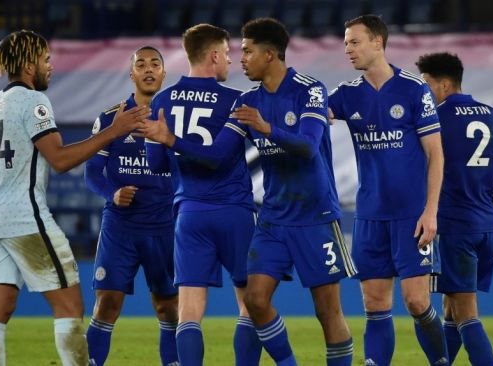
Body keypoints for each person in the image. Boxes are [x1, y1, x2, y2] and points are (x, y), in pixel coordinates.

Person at [143, 18, 357, 366]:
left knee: (327, 311)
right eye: (237, 52)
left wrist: (265, 127)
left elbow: (307, 147)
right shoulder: (244, 100)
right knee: (255, 301)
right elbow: (215, 153)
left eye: (247, 51)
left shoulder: (310, 89)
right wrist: (170, 139)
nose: (240, 59)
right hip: (272, 218)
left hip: (315, 215)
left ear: (270, 54)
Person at [0, 29, 149, 366]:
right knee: (70, 307)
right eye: (46, 60)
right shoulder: (34, 101)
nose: (50, 67)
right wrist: (114, 131)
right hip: (24, 217)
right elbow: (60, 159)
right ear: (28, 65)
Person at [328, 15, 449, 366]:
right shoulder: (347, 95)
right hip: (370, 216)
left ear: (377, 43)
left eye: (354, 41)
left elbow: (436, 154)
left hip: (412, 215)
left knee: (416, 301)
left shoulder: (413, 90)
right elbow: (313, 114)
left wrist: (431, 211)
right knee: (375, 305)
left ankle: (442, 361)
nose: (347, 49)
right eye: (346, 42)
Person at [140, 24, 262, 366]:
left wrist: (171, 144)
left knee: (190, 311)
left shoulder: (162, 100)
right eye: (226, 53)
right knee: (250, 304)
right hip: (234, 210)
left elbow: (155, 163)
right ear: (212, 55)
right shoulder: (234, 100)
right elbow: (219, 157)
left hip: (190, 214)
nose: (229, 60)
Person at [416, 52, 493, 366]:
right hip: (485, 226)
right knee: (451, 307)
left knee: (465, 312)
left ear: (445, 84)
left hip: (454, 225)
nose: (424, 94)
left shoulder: (435, 120)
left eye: (427, 86)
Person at [84, 46, 179, 366]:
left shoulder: (176, 117)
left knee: (169, 307)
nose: (149, 69)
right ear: (132, 74)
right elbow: (92, 172)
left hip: (165, 224)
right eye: (141, 64)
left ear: (164, 74)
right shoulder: (111, 118)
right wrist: (112, 193)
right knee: (107, 302)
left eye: (155, 64)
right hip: (121, 225)